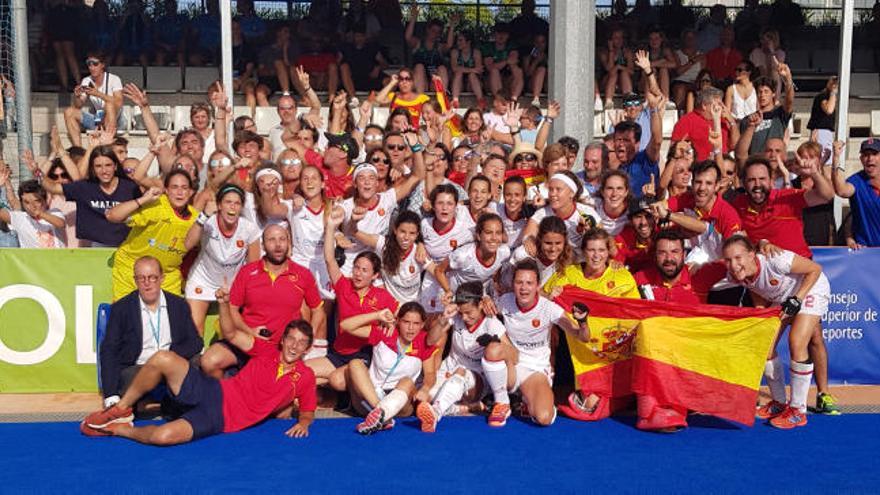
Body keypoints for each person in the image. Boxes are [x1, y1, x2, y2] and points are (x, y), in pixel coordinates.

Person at [81, 311, 317, 444]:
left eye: (301, 343)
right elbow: (232, 333)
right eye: (291, 339)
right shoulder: (265, 350)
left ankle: (119, 429)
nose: (294, 346)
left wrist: (303, 423)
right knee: (163, 358)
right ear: (283, 340)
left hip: (219, 419)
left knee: (163, 437)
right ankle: (120, 409)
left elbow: (307, 410)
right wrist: (224, 304)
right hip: (213, 390)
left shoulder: (306, 377)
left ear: (307, 348)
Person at [721, 236, 831, 430]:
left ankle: (798, 410)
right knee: (765, 346)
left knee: (796, 342)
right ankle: (779, 403)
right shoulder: (735, 274)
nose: (734, 264)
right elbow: (755, 287)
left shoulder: (776, 260)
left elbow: (815, 269)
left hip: (810, 289)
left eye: (738, 258)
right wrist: (760, 310)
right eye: (728, 260)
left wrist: (797, 299)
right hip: (783, 298)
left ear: (751, 254)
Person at [199, 225, 324, 379]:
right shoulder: (247, 272)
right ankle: (225, 397)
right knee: (209, 361)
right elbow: (232, 308)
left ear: (289, 243)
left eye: (282, 239)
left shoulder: (303, 274)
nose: (278, 245)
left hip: (281, 349)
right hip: (246, 340)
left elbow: (318, 310)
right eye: (271, 240)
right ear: (263, 245)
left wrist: (308, 336)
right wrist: (249, 331)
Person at [486, 260, 590, 426]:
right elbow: (484, 312)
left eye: (529, 283)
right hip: (512, 362)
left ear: (537, 286)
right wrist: (484, 300)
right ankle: (502, 402)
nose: (524, 288)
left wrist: (583, 322)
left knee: (544, 418)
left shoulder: (549, 308)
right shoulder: (505, 301)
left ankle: (527, 400)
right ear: (513, 284)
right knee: (492, 350)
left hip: (535, 370)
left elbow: (582, 337)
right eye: (519, 282)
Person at [306, 207, 399, 392]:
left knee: (337, 381)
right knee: (304, 370)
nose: (358, 274)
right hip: (338, 353)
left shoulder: (381, 296)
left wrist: (392, 323)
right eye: (356, 268)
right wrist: (331, 227)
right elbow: (330, 260)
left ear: (374, 276)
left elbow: (398, 311)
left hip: (362, 355)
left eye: (364, 270)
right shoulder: (344, 285)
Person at [98, 256, 203, 410]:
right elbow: (109, 350)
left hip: (171, 366)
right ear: (135, 280)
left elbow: (195, 342)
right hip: (138, 368)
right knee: (126, 380)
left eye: (152, 278)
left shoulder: (179, 305)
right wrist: (110, 396)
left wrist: (167, 358)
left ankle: (179, 403)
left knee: (199, 362)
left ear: (162, 278)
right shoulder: (121, 308)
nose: (147, 284)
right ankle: (145, 400)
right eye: (141, 278)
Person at [416, 282, 509, 432]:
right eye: (461, 313)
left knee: (460, 372)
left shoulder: (491, 323)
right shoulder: (456, 317)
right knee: (423, 399)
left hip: (476, 379)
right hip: (449, 370)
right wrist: (443, 318)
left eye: (469, 312)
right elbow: (430, 340)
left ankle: (436, 413)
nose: (464, 317)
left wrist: (494, 343)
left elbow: (510, 352)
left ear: (480, 305)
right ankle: (466, 408)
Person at [343, 302, 441, 434]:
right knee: (354, 364)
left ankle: (381, 415)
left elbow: (430, 374)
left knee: (407, 381)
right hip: (371, 398)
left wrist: (425, 389)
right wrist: (377, 315)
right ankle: (381, 413)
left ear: (422, 325)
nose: (410, 328)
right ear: (398, 321)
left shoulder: (424, 341)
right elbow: (345, 325)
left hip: (402, 403)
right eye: (406, 322)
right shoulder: (384, 332)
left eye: (416, 324)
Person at [105, 170, 197, 301]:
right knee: (126, 316)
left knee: (170, 316)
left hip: (167, 275)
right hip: (131, 269)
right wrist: (143, 199)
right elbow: (111, 215)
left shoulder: (197, 219)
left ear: (191, 192)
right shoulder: (155, 206)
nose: (179, 192)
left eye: (184, 188)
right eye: (174, 187)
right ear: (166, 190)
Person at [183, 184, 261, 335]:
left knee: (231, 331)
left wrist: (240, 291)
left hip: (232, 284)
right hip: (202, 279)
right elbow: (187, 244)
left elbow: (253, 267)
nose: (232, 207)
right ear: (219, 205)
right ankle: (196, 357)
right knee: (194, 330)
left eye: (237, 203)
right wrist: (203, 215)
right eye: (227, 202)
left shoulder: (249, 228)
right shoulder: (208, 221)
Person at [42, 145, 142, 247]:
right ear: (93, 169)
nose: (104, 171)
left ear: (115, 166)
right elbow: (52, 187)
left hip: (125, 248)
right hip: (92, 250)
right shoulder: (85, 187)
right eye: (98, 166)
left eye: (108, 165)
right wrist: (36, 171)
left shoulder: (131, 188)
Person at [419, 184, 476, 313]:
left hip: (454, 281)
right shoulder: (424, 224)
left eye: (450, 203)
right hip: (431, 280)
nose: (445, 208)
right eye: (440, 203)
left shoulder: (467, 229)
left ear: (456, 206)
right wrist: (420, 244)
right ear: (433, 206)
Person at [62, 52, 124, 147]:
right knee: (69, 111)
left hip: (116, 119)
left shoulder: (114, 79)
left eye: (95, 64)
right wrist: (77, 96)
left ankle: (108, 145)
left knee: (109, 105)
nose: (92, 67)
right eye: (89, 64)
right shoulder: (86, 80)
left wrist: (98, 94)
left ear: (102, 65)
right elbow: (78, 105)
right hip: (98, 118)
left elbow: (119, 102)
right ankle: (78, 150)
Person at [831, 138, 880, 248]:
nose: (870, 158)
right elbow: (841, 190)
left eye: (874, 154)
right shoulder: (857, 181)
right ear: (861, 159)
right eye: (866, 155)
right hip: (866, 252)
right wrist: (836, 158)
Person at [737, 65, 795, 156]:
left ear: (773, 94)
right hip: (755, 164)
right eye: (760, 92)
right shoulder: (747, 120)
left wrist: (788, 79)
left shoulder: (780, 114)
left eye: (766, 91)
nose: (762, 95)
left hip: (774, 162)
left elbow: (789, 100)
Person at [612, 98, 662, 199]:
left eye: (626, 140)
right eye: (618, 140)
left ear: (637, 144)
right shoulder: (617, 170)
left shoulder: (645, 160)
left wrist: (653, 109)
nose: (621, 144)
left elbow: (657, 141)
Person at [0, 177, 66, 248]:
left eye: (36, 201)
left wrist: (40, 214)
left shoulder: (54, 212)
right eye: (27, 202)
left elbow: (61, 224)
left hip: (58, 258)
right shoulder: (20, 218)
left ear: (45, 200)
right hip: (30, 259)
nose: (32, 206)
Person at [613, 199, 657, 273]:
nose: (643, 222)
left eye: (648, 216)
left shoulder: (665, 232)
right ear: (630, 220)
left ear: (656, 217)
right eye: (638, 217)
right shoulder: (623, 238)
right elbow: (617, 267)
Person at [807, 77, 838, 163]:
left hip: (825, 133)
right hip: (821, 132)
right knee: (823, 164)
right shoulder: (823, 96)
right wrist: (833, 92)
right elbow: (829, 110)